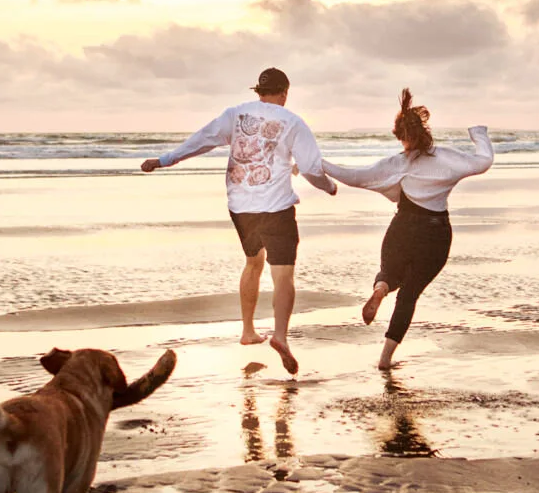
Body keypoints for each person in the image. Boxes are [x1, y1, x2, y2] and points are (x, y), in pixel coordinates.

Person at [140, 67, 334, 374]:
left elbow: (200, 141)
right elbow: (310, 167)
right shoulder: (294, 122)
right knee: (283, 274)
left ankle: (248, 330)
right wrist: (329, 186)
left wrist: (164, 160)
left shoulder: (236, 115)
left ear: (258, 91)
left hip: (241, 207)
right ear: (285, 92)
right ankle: (280, 336)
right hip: (277, 208)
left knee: (253, 263)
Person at [320, 89, 492, 369]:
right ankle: (385, 359)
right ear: (425, 132)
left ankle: (380, 288)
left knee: (390, 273)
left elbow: (354, 176)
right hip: (436, 234)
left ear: (400, 136)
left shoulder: (396, 163)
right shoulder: (448, 158)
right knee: (409, 294)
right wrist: (479, 134)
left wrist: (319, 164)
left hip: (402, 228)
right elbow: (483, 162)